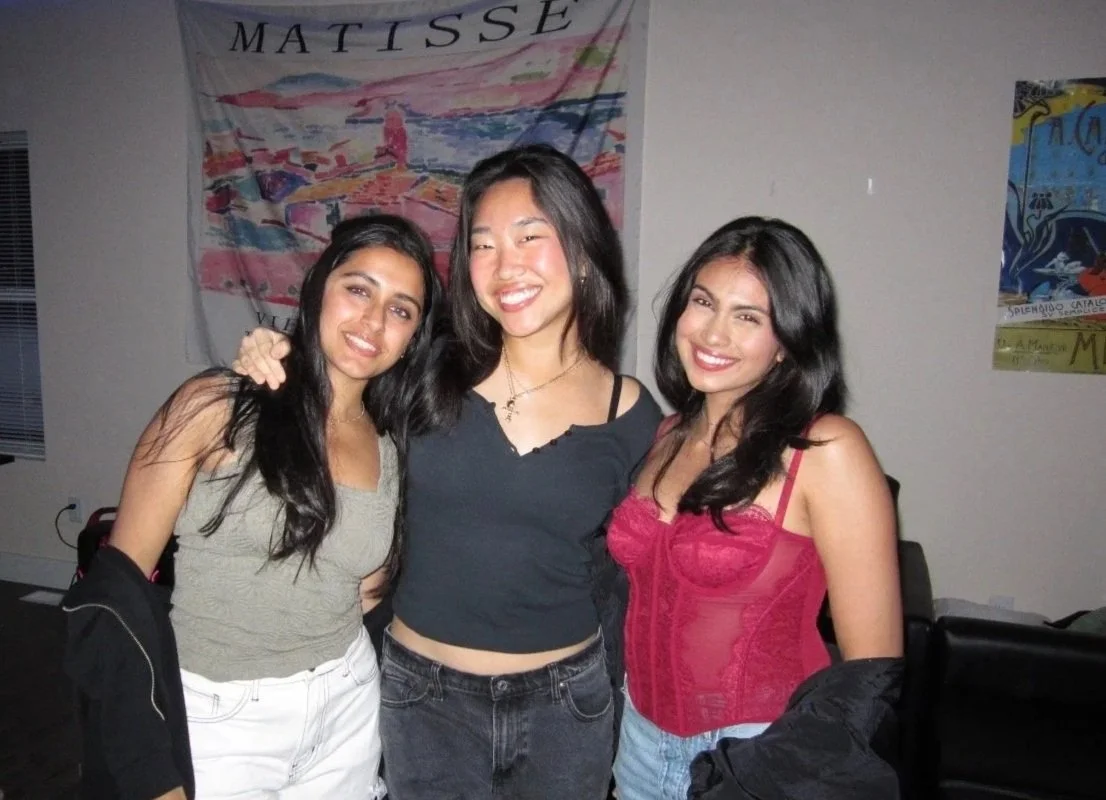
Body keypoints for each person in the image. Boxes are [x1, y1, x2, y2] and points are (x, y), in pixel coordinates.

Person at [233, 144, 663, 799]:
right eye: (483, 244)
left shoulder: (629, 412)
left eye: (530, 236)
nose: (505, 264)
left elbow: (652, 566)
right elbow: (338, 379)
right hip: (424, 700)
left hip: (565, 707)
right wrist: (275, 353)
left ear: (582, 249)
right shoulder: (426, 370)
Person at [64, 214, 443, 800]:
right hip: (219, 716)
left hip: (347, 706)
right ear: (318, 287)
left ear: (413, 337)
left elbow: (366, 595)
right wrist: (149, 769)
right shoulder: (217, 406)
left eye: (401, 310)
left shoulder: (389, 444)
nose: (373, 321)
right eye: (358, 289)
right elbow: (113, 593)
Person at [607, 216, 904, 800]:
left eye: (748, 317)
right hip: (637, 743)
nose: (713, 334)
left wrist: (764, 774)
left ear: (788, 341)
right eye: (703, 302)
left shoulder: (826, 449)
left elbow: (871, 672)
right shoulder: (666, 435)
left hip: (758, 754)